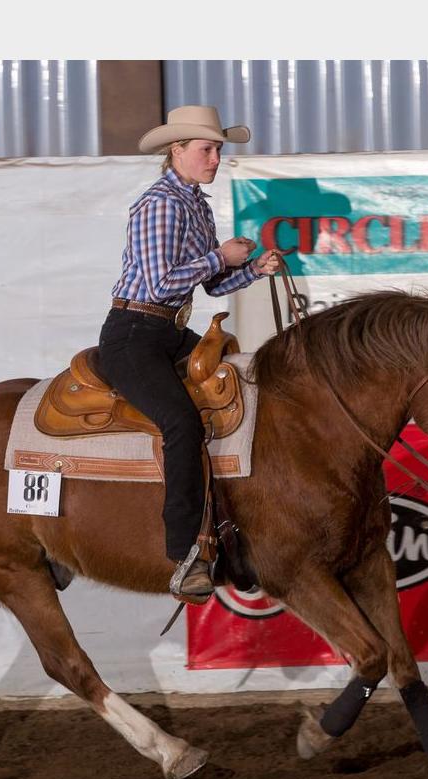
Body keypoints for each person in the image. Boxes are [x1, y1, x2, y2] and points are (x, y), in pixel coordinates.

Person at [98, 105, 282, 600]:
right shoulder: (161, 203)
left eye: (219, 148)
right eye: (207, 148)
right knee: (180, 422)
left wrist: (253, 270)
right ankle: (183, 553)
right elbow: (160, 283)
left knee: (239, 389)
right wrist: (221, 255)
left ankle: (237, 528)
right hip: (134, 333)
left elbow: (213, 285)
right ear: (176, 150)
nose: (216, 157)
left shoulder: (195, 204)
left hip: (166, 331)